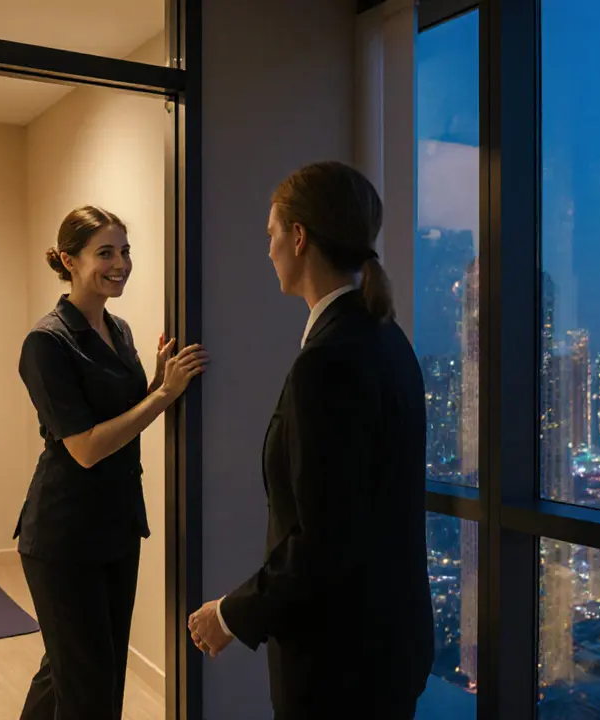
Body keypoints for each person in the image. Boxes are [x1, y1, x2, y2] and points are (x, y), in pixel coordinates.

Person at [188, 161, 435, 718]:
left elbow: (323, 543)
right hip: (386, 645)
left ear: (298, 237)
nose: (268, 248)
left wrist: (229, 614)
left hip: (340, 663)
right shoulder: (387, 338)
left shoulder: (326, 363)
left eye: (271, 233)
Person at [15, 205, 207, 720]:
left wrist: (154, 383)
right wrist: (163, 395)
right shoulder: (46, 343)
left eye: (124, 251)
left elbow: (121, 418)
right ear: (67, 260)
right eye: (105, 252)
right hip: (63, 537)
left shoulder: (118, 330)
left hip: (116, 528)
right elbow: (85, 447)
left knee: (70, 671)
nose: (120, 263)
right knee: (91, 692)